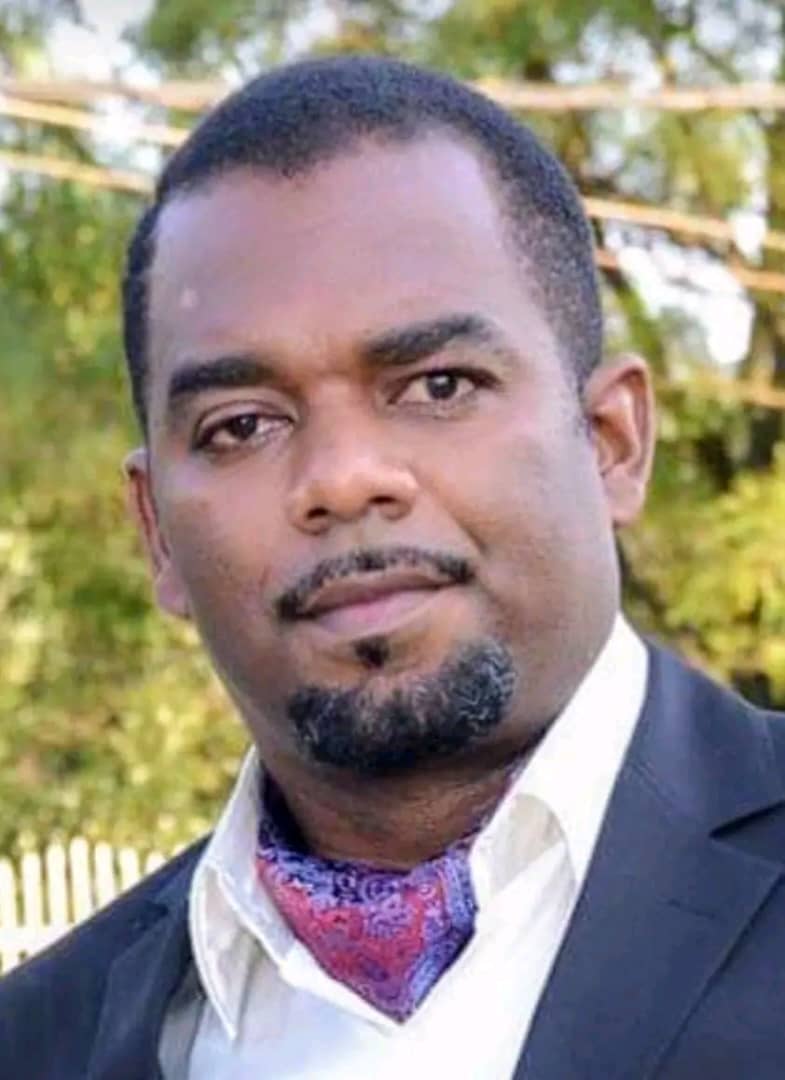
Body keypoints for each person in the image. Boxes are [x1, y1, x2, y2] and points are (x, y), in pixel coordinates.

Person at [1, 54, 784, 1080]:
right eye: (241, 425)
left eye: (438, 385)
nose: (342, 478)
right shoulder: (39, 1041)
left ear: (610, 443)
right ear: (156, 534)